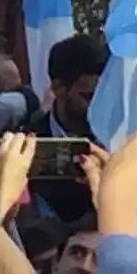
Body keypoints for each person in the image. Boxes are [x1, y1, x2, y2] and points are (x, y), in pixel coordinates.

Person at [29, 34, 107, 223]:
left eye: (105, 97)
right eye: (89, 97)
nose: (99, 107)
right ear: (58, 88)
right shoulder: (28, 144)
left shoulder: (122, 139)